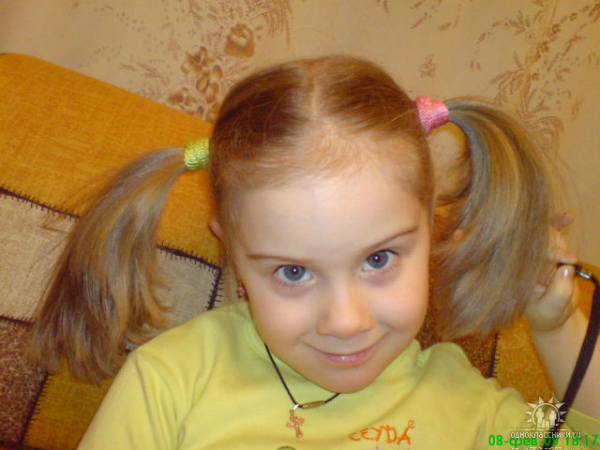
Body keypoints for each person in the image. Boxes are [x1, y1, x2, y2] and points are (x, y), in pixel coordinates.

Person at [30, 56, 599, 448]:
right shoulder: (173, 381)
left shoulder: (465, 406)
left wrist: (557, 327)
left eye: (378, 259)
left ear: (429, 230)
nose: (345, 322)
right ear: (233, 254)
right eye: (294, 272)